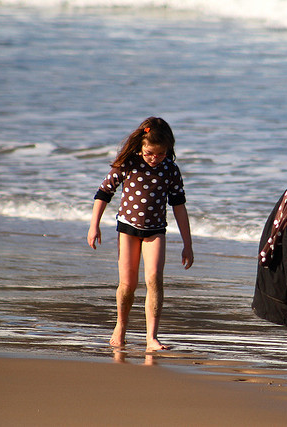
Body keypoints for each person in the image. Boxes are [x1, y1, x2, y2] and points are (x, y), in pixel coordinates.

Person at [87, 116, 194, 352]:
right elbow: (103, 193)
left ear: (168, 149)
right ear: (140, 147)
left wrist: (188, 244)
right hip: (127, 229)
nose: (155, 159)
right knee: (128, 284)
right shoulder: (127, 164)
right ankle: (120, 327)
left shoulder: (170, 169)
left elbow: (179, 207)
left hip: (156, 231)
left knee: (155, 279)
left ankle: (151, 338)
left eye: (160, 154)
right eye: (149, 153)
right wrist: (94, 225)